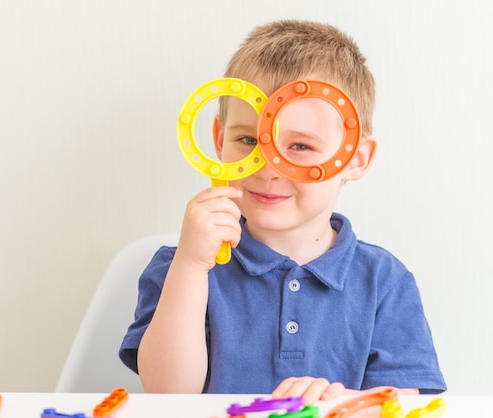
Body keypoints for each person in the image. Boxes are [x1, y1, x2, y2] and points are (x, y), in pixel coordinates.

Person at [119, 19, 446, 402]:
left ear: (355, 159)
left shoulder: (385, 280)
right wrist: (191, 266)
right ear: (219, 140)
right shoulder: (181, 267)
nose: (267, 168)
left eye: (300, 147)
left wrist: (340, 402)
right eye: (247, 139)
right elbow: (167, 393)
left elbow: (403, 405)